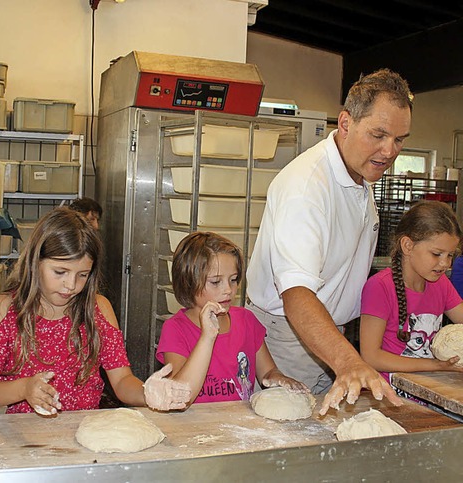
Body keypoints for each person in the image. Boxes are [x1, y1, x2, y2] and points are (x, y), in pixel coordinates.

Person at [245, 68, 414, 415]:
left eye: (399, 139)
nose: (389, 150)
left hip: (329, 331)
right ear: (346, 122)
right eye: (379, 135)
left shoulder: (360, 173)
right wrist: (348, 361)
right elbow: (296, 295)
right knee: (290, 440)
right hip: (290, 336)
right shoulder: (307, 188)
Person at [0, 207, 190, 414]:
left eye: (82, 275)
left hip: (84, 431)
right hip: (24, 436)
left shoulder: (98, 309)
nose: (71, 285)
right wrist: (24, 388)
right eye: (60, 272)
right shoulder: (6, 308)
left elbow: (122, 381)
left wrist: (146, 393)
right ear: (35, 262)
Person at [156, 232, 308, 405]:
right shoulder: (175, 329)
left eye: (233, 280)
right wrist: (207, 336)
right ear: (188, 282)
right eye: (215, 282)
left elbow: (267, 372)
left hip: (237, 424)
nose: (228, 289)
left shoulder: (246, 321)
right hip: (194, 427)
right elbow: (180, 396)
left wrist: (279, 379)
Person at [360, 201, 463, 386]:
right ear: (407, 245)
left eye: (450, 255)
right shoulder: (380, 287)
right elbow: (371, 356)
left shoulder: (441, 284)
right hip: (389, 392)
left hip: (428, 388)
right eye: (437, 254)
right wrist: (436, 365)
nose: (446, 264)